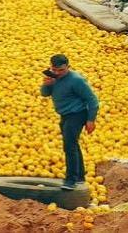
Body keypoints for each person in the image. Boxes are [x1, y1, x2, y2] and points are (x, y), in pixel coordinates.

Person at [40, 54, 99, 190]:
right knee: (73, 144)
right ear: (51, 67)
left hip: (77, 114)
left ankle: (70, 180)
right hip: (65, 115)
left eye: (62, 70)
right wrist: (46, 85)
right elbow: (44, 94)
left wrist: (91, 120)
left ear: (68, 67)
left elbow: (93, 100)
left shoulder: (76, 80)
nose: (58, 73)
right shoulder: (52, 77)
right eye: (55, 70)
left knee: (69, 146)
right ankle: (79, 177)